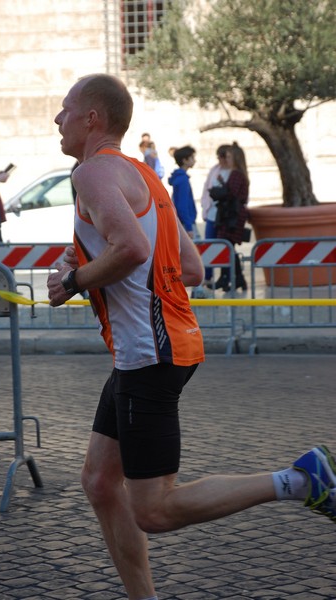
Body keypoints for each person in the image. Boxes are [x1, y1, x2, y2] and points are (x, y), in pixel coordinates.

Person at [47, 74, 336, 600]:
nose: (58, 120)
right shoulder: (143, 176)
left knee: (153, 508)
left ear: (93, 119)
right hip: (155, 349)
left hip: (149, 356)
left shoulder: (91, 174)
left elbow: (132, 248)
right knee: (98, 482)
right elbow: (193, 266)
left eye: (66, 110)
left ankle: (299, 480)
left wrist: (73, 281)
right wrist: (95, 261)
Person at [207, 142, 249, 292]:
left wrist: (217, 191)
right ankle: (236, 278)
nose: (227, 159)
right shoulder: (235, 174)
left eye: (230, 156)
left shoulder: (237, 174)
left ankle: (229, 278)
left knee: (227, 246)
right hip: (229, 214)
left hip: (232, 216)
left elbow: (230, 193)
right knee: (228, 247)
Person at [200, 144, 232, 284]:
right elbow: (207, 189)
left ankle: (227, 277)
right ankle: (208, 276)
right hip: (212, 214)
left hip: (225, 216)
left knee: (226, 246)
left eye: (223, 156)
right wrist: (204, 207)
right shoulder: (214, 170)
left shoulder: (234, 173)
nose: (220, 159)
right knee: (209, 244)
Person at [168, 145, 198, 239]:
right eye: (192, 157)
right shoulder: (183, 179)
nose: (194, 160)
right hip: (186, 224)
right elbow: (182, 205)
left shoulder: (179, 177)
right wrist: (189, 227)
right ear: (185, 160)